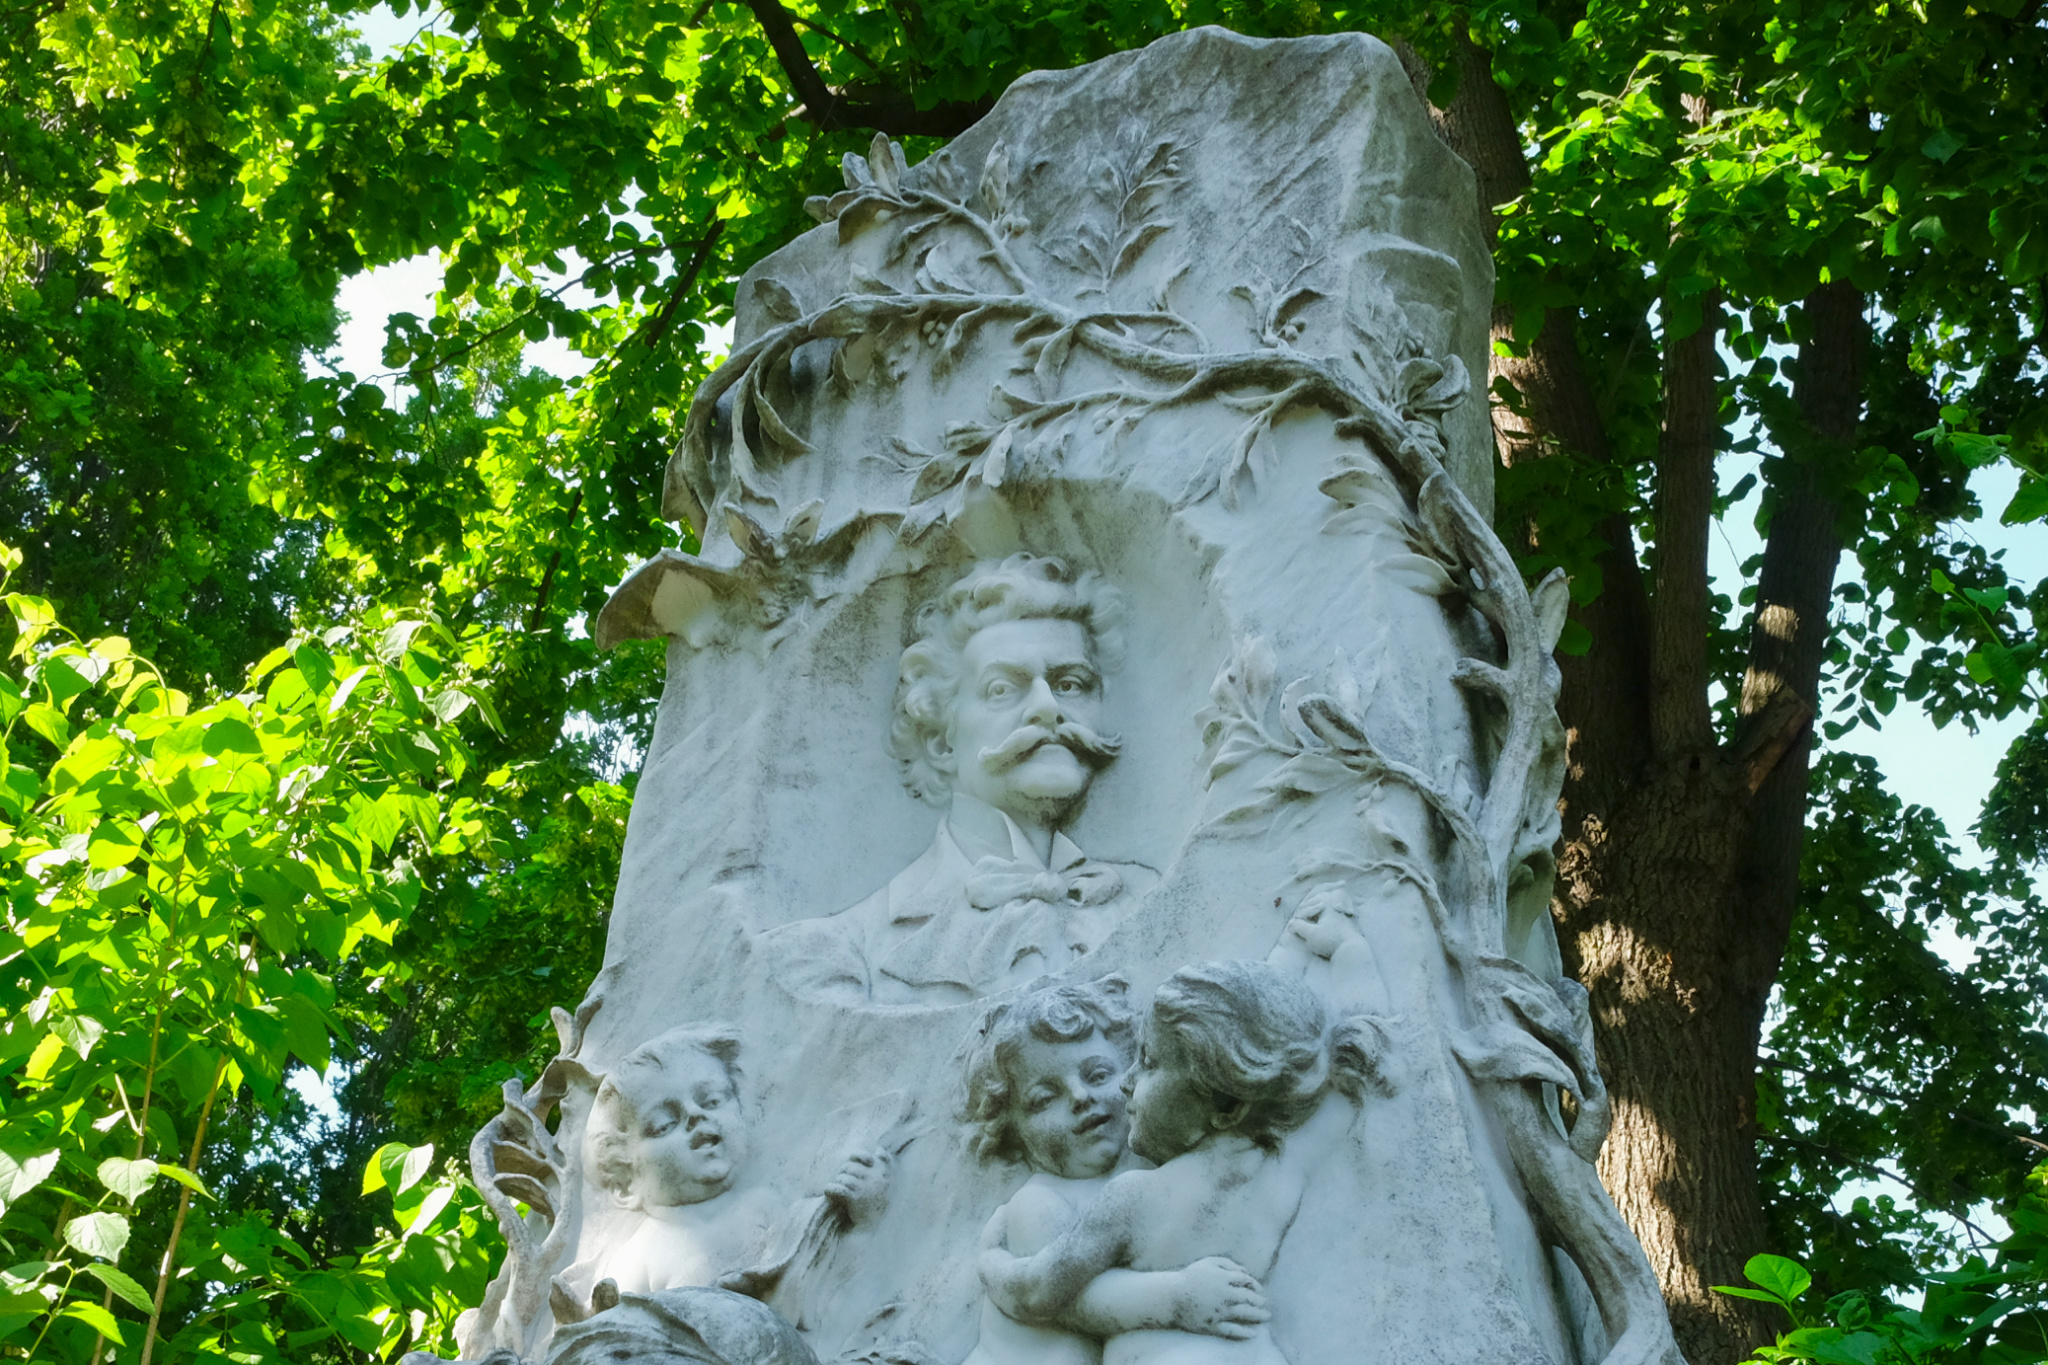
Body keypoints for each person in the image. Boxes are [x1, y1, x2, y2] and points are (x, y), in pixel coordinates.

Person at [764, 554, 1156, 1006]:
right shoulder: (839, 954)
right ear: (940, 742)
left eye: (1070, 684)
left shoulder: (1150, 901)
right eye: (1001, 689)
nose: (1047, 708)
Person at [975, 959, 1393, 1365]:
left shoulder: (1132, 1195)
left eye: (1145, 1064)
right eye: (1044, 1099)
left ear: (1227, 1107)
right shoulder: (1280, 1171)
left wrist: (991, 1262)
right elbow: (1368, 1052)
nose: (1124, 1082)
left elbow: (1040, 1292)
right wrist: (1348, 952)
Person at [959, 979, 1270, 1365]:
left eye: (1098, 1075)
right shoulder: (1038, 1201)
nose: (1080, 1097)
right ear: (1011, 1129)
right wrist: (1179, 1296)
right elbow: (1070, 1302)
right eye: (1044, 1098)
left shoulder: (1153, 1177)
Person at [553, 1026, 890, 1315]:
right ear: (625, 1183)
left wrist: (864, 1221)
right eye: (663, 1125)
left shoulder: (770, 1208)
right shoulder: (639, 1255)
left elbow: (827, 1299)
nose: (695, 1116)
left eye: (712, 1101)